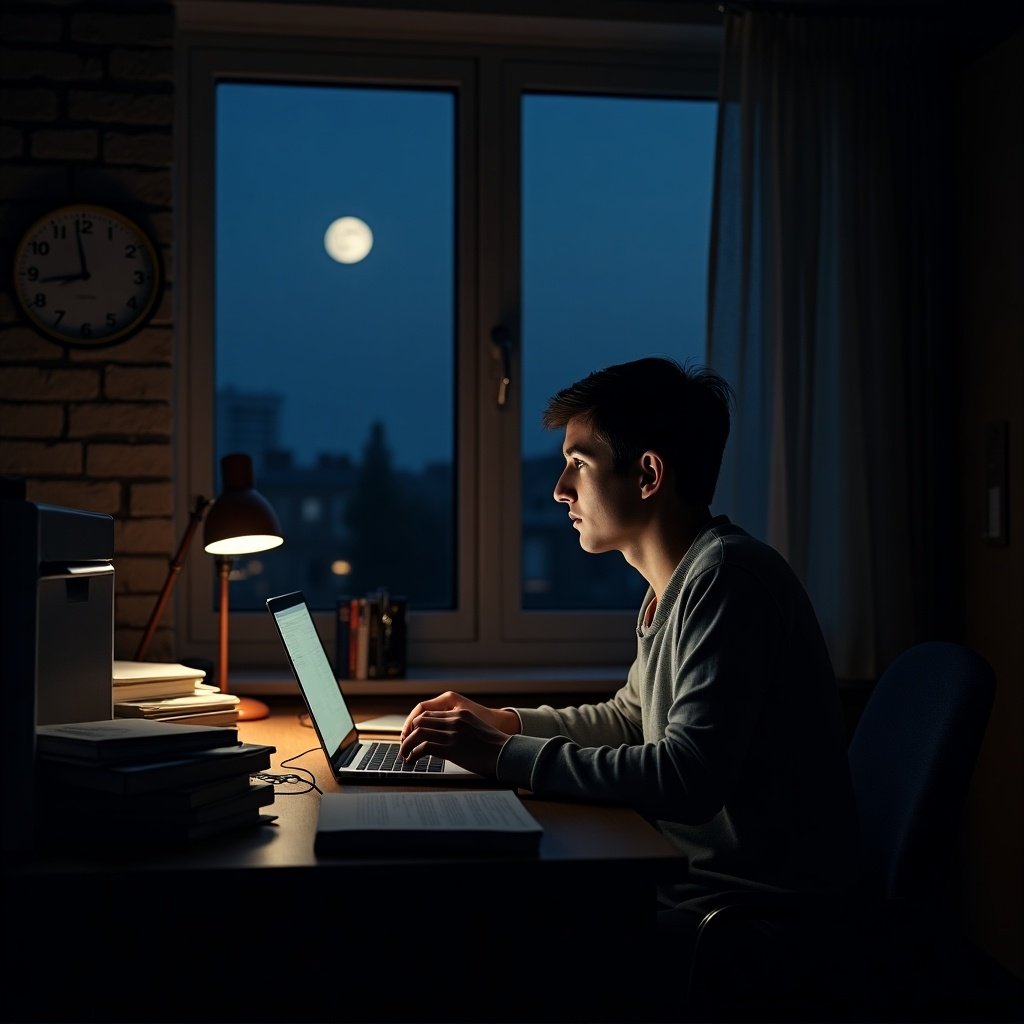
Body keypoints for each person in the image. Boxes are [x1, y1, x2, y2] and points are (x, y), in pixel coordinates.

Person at [398, 356, 859, 1009]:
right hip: (696, 882)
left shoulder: (728, 581)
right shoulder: (677, 584)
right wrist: (506, 721)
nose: (559, 488)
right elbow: (628, 717)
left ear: (648, 474)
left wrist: (503, 756)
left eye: (579, 464)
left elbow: (686, 779)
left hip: (745, 914)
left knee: (476, 931)